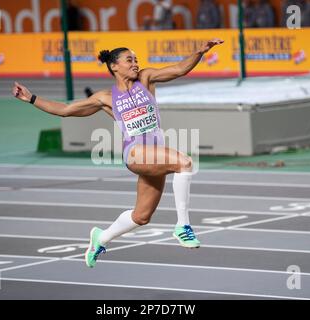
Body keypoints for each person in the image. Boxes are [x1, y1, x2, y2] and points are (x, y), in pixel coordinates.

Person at [12, 38, 224, 268]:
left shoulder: (146, 78)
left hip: (155, 154)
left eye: (136, 59)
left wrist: (199, 52)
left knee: (141, 217)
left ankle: (100, 238)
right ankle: (183, 227)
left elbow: (180, 69)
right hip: (134, 153)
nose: (135, 63)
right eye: (129, 60)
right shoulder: (105, 98)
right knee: (184, 163)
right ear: (114, 66)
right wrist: (31, 98)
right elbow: (65, 110)